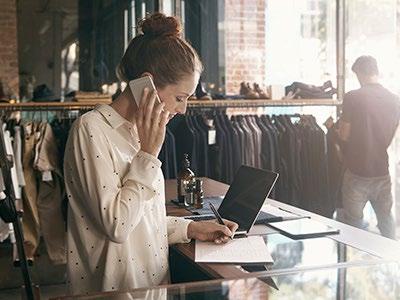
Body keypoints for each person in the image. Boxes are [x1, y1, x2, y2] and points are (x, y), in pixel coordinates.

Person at [64, 13, 238, 295]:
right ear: (146, 83)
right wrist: (147, 153)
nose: (183, 110)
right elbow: (117, 225)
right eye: (180, 98)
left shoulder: (142, 132)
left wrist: (193, 229)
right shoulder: (91, 130)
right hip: (115, 293)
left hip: (153, 289)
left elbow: (143, 221)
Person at [338, 55, 400, 239]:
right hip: (382, 171)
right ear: (376, 71)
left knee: (354, 225)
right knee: (386, 222)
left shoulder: (352, 97)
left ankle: (351, 265)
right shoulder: (395, 100)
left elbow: (344, 134)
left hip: (357, 172)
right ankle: (394, 262)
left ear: (359, 73)